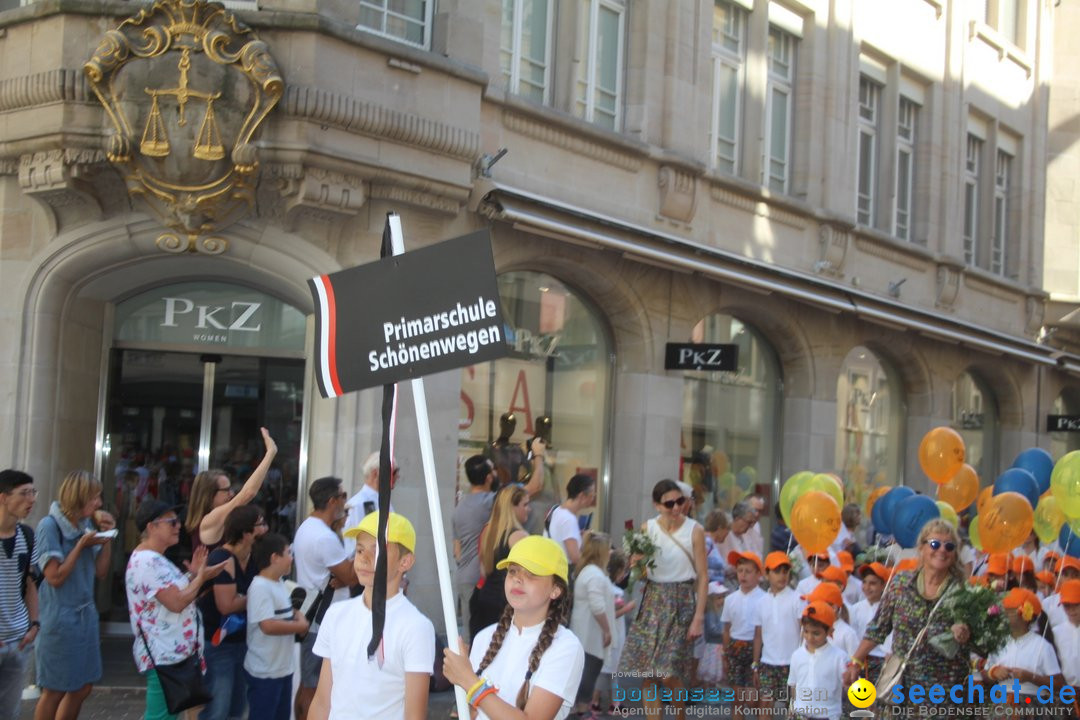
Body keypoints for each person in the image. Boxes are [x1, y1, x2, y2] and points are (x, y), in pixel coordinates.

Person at [442, 535, 585, 720]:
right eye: (513, 571)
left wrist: (468, 680)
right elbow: (470, 713)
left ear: (555, 590)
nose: (518, 579)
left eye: (532, 574)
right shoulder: (484, 637)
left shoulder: (566, 647)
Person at [309, 511, 434, 720]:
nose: (364, 559)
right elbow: (322, 700)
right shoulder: (336, 614)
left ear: (405, 562)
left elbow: (414, 715)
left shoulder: (416, 626)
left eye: (376, 552)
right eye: (359, 550)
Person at [844, 519, 972, 695]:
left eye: (949, 546)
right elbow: (878, 628)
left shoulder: (963, 592)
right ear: (921, 548)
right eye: (935, 544)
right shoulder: (901, 583)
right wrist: (856, 661)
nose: (942, 550)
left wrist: (966, 633)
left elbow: (982, 643)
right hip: (902, 684)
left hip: (945, 690)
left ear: (955, 553)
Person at [125, 500, 227, 720]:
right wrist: (200, 577)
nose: (178, 526)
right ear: (151, 527)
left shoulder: (156, 559)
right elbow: (177, 602)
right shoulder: (147, 562)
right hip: (164, 656)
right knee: (160, 716)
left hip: (174, 655)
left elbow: (173, 595)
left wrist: (196, 576)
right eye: (171, 522)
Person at [618, 479, 707, 720]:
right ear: (657, 505)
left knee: (668, 672)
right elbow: (642, 571)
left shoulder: (695, 530)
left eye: (681, 501)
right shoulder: (648, 528)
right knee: (649, 674)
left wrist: (698, 617)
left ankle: (679, 716)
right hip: (653, 601)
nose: (677, 507)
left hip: (682, 602)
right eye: (670, 503)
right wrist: (636, 562)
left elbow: (703, 575)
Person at [34, 470, 115, 720]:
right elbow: (54, 578)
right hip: (60, 618)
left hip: (85, 616)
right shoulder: (49, 526)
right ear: (79, 497)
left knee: (83, 686)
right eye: (94, 497)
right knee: (55, 689)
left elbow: (101, 572)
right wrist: (81, 545)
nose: (99, 503)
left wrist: (107, 538)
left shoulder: (85, 525)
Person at [293, 477, 357, 720]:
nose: (345, 500)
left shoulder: (308, 527)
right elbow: (351, 575)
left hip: (314, 615)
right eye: (343, 496)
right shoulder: (324, 537)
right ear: (332, 501)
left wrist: (342, 575)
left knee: (310, 683)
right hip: (322, 620)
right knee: (314, 686)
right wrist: (363, 552)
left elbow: (343, 576)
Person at [197, 505, 263, 720]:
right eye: (260, 525)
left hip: (243, 641)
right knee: (217, 709)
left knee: (237, 709)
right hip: (218, 645)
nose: (265, 529)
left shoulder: (253, 557)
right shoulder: (221, 558)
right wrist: (257, 598)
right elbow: (226, 605)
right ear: (245, 532)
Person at [245, 533, 309, 720]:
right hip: (265, 672)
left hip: (283, 669)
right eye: (288, 553)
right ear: (274, 558)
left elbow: (288, 611)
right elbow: (268, 626)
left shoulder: (279, 583)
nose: (292, 558)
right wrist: (300, 626)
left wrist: (298, 615)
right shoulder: (259, 587)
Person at [186, 428, 277, 553]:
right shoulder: (209, 519)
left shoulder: (222, 519)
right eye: (226, 490)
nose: (232, 494)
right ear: (209, 495)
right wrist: (270, 452)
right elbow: (248, 493)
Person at [0, 470, 40, 720]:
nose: (31, 499)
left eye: (32, 493)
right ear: (3, 497)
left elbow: (30, 582)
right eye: (24, 493)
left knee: (10, 713)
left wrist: (34, 624)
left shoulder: (27, 535)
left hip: (19, 640)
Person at [469, 485, 530, 641]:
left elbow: (484, 570)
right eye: (525, 504)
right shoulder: (518, 536)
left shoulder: (489, 532)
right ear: (512, 507)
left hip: (483, 600)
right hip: (505, 605)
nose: (529, 509)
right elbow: (529, 575)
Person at [985, 588, 1063, 703]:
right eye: (1005, 610)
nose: (1005, 615)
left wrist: (1030, 677)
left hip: (1033, 705)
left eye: (1010, 611)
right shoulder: (999, 642)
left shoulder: (1042, 646)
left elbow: (1058, 684)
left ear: (1025, 615)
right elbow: (986, 675)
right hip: (1001, 704)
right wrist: (994, 672)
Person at [569, 533, 614, 719]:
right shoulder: (594, 574)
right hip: (590, 633)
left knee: (585, 671)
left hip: (584, 631)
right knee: (588, 672)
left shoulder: (587, 571)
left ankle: (580, 708)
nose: (611, 552)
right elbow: (597, 606)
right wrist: (607, 629)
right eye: (609, 548)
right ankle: (582, 709)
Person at [453, 456, 495, 636]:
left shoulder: (460, 507)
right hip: (478, 579)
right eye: (493, 470)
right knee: (479, 635)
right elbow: (534, 487)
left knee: (471, 632)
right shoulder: (490, 501)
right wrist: (538, 455)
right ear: (488, 478)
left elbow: (457, 551)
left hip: (463, 576)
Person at [754, 552, 801, 710]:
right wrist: (755, 664)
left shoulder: (797, 599)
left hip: (792, 663)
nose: (782, 576)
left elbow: (804, 631)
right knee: (765, 708)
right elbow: (758, 635)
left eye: (785, 571)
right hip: (767, 663)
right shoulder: (760, 602)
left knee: (794, 710)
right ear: (766, 574)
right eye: (777, 571)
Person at [787, 602, 847, 720]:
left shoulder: (840, 657)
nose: (810, 638)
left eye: (816, 633)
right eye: (806, 631)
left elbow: (849, 687)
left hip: (828, 716)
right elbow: (793, 685)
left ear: (830, 631)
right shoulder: (796, 655)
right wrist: (792, 708)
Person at [722, 551, 764, 711]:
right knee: (737, 698)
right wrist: (725, 654)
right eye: (740, 571)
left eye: (748, 571)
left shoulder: (764, 598)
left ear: (758, 574)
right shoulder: (730, 599)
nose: (743, 575)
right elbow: (726, 629)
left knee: (753, 700)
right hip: (735, 648)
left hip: (756, 648)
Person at [343, 453, 397, 551]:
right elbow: (358, 544)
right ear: (375, 473)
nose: (397, 476)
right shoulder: (359, 504)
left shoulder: (382, 500)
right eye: (393, 472)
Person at [848, 562, 892, 680]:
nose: (867, 587)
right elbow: (853, 635)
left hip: (883, 660)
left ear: (883, 585)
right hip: (862, 660)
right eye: (864, 582)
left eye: (872, 583)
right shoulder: (856, 608)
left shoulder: (889, 608)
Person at [545, 474, 597, 566]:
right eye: (592, 495)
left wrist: (577, 535)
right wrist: (585, 539)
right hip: (562, 571)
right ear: (582, 496)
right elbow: (575, 558)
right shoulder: (568, 519)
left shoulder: (557, 510)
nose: (593, 498)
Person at [1051, 579, 1080, 690]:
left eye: (1076, 605)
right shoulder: (1056, 632)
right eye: (1067, 606)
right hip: (1066, 691)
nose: (1071, 610)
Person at [702, 510, 729, 584]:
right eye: (727, 529)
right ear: (720, 528)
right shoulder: (706, 542)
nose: (727, 533)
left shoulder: (713, 544)